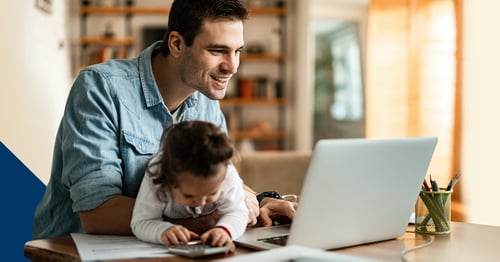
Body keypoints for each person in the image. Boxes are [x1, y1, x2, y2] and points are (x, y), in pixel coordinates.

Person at [32, 0, 296, 240]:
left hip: (163, 251)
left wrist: (260, 202)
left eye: (237, 51)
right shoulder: (100, 88)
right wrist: (212, 221)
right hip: (74, 252)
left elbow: (217, 179)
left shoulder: (206, 101)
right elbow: (96, 213)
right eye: (218, 51)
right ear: (177, 44)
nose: (233, 66)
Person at [131, 120, 246, 252]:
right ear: (169, 180)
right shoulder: (157, 173)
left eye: (211, 193)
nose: (200, 202)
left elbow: (237, 212)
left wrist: (224, 230)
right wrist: (162, 231)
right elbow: (141, 222)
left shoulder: (226, 171)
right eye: (189, 195)